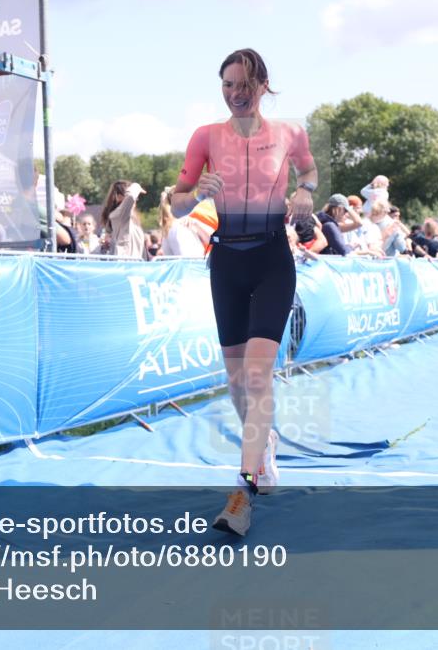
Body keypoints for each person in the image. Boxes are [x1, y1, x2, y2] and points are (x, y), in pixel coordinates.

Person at [170, 48, 317, 536]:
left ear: (262, 86)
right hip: (227, 261)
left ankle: (243, 491)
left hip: (273, 259)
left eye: (244, 85)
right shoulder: (205, 137)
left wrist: (306, 192)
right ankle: (265, 443)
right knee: (237, 383)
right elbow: (175, 203)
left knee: (257, 377)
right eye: (228, 85)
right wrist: (196, 195)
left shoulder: (291, 133)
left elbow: (309, 171)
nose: (236, 93)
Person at [101, 180, 149, 260]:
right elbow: (130, 196)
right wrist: (136, 186)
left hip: (134, 265)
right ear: (119, 197)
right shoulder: (119, 215)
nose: (135, 200)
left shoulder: (129, 218)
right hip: (125, 265)